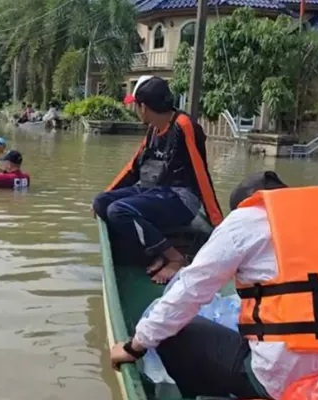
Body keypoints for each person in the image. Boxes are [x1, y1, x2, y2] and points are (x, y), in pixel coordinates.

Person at [109, 171, 318, 399]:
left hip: (287, 382)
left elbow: (189, 290)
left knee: (176, 331)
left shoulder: (247, 218)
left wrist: (135, 346)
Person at [92, 75, 223, 284]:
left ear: (143, 107)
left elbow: (201, 175)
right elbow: (132, 168)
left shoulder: (183, 126)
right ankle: (156, 251)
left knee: (118, 211)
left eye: (136, 107)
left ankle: (174, 258)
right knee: (101, 202)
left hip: (180, 199)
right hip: (154, 193)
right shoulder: (153, 129)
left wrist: (218, 224)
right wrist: (106, 193)